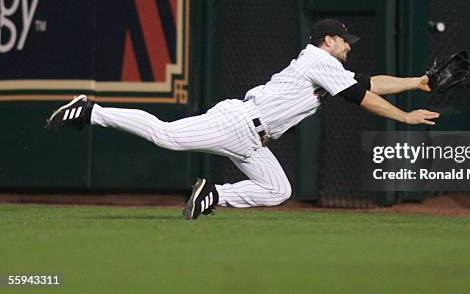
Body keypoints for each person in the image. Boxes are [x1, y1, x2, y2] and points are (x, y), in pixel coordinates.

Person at [46, 19, 439, 220]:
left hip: (253, 139)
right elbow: (361, 96)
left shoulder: (327, 66)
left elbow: (368, 82)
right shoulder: (319, 59)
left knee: (278, 190)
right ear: (329, 41)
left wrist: (418, 82)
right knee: (165, 135)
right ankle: (91, 110)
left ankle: (213, 194)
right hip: (238, 122)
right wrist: (404, 117)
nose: (349, 46)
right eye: (345, 40)